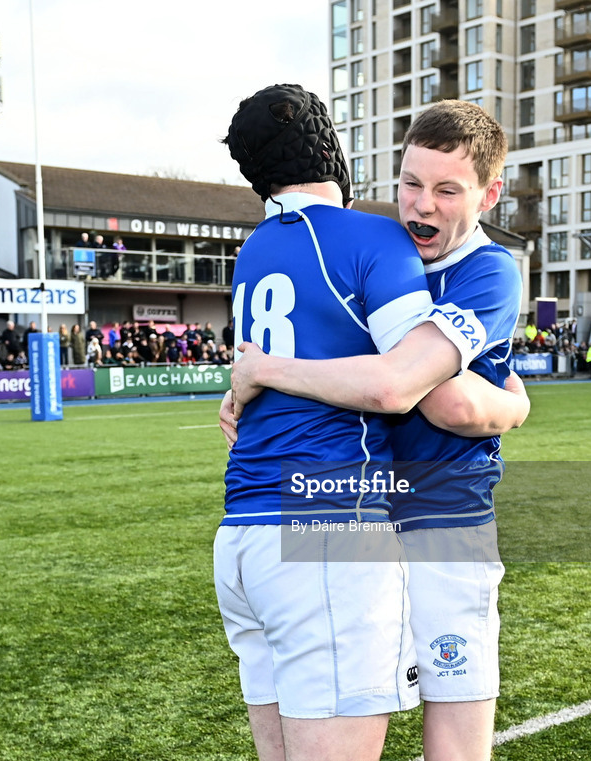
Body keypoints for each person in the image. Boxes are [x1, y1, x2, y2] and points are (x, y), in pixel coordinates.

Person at [224, 95, 528, 761]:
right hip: (370, 520)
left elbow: (439, 401)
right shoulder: (386, 250)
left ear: (489, 193)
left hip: (447, 526)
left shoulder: (488, 272)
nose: (422, 205)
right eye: (411, 183)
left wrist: (513, 406)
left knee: (450, 734)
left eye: (447, 190)